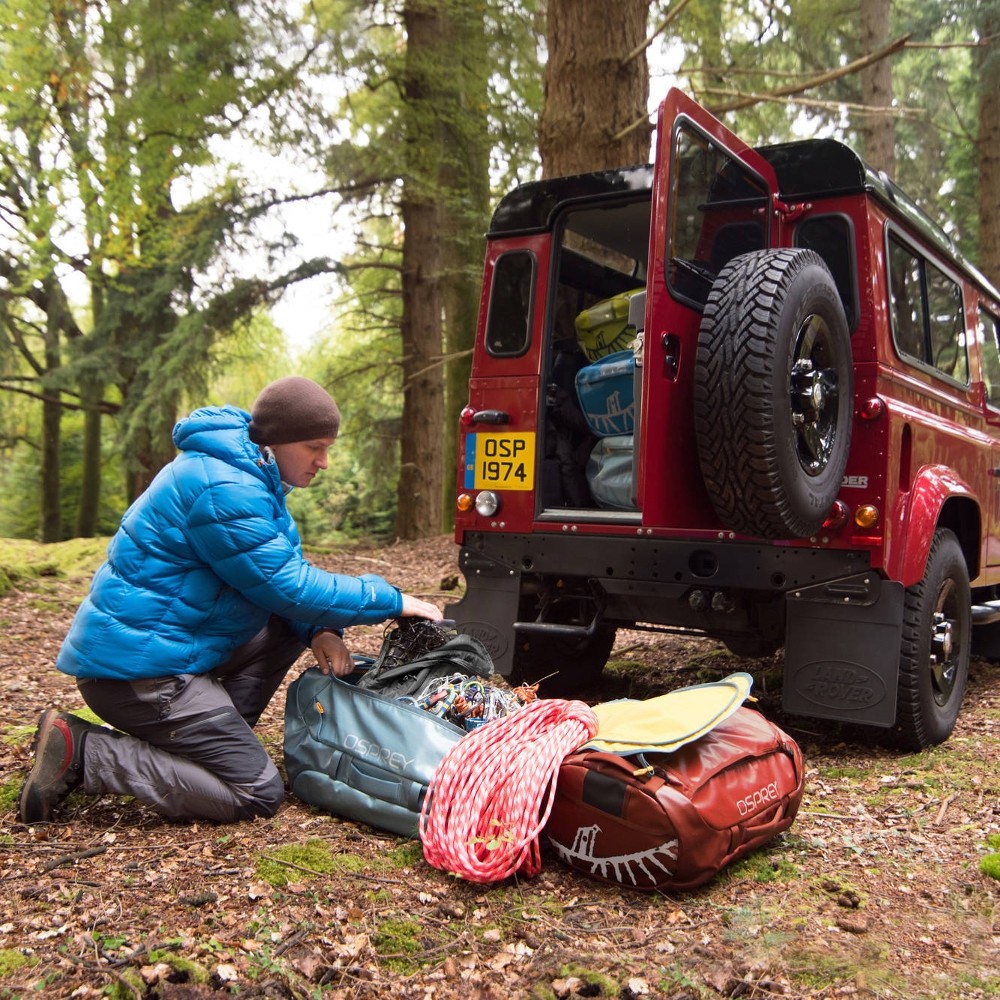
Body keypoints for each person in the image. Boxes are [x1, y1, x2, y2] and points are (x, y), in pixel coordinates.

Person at [17, 376, 442, 825]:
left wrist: (319, 629)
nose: (325, 462)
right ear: (277, 442)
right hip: (139, 677)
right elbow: (289, 585)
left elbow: (275, 577)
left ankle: (206, 737)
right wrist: (391, 600)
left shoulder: (255, 475)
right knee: (254, 791)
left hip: (171, 653)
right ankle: (85, 751)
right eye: (315, 447)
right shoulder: (224, 488)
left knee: (286, 624)